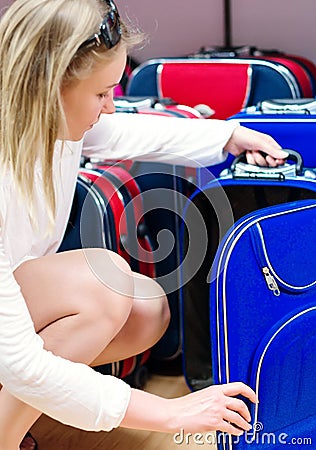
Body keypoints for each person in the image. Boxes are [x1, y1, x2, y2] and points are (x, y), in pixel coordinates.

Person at [0, 0, 289, 449]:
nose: (111, 107)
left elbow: (125, 132)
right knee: (104, 286)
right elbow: (21, 363)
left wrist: (228, 135)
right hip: (8, 345)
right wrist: (171, 413)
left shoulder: (44, 123)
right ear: (47, 86)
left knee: (146, 310)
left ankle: (15, 418)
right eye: (101, 94)